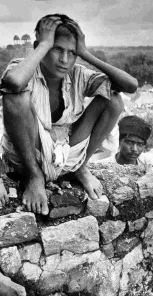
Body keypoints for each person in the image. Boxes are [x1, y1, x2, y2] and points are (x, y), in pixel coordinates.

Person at [0, 14, 138, 215]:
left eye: (71, 53)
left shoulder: (79, 74)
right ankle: (34, 177)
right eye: (57, 49)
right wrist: (44, 44)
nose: (64, 60)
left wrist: (85, 53)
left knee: (113, 99)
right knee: (16, 97)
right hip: (27, 156)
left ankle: (80, 168)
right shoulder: (23, 69)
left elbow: (131, 85)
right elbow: (13, 83)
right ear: (42, 47)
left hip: (68, 155)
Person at [98, 115, 153, 239]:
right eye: (129, 142)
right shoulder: (105, 166)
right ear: (120, 141)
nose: (134, 149)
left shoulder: (145, 163)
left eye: (140, 144)